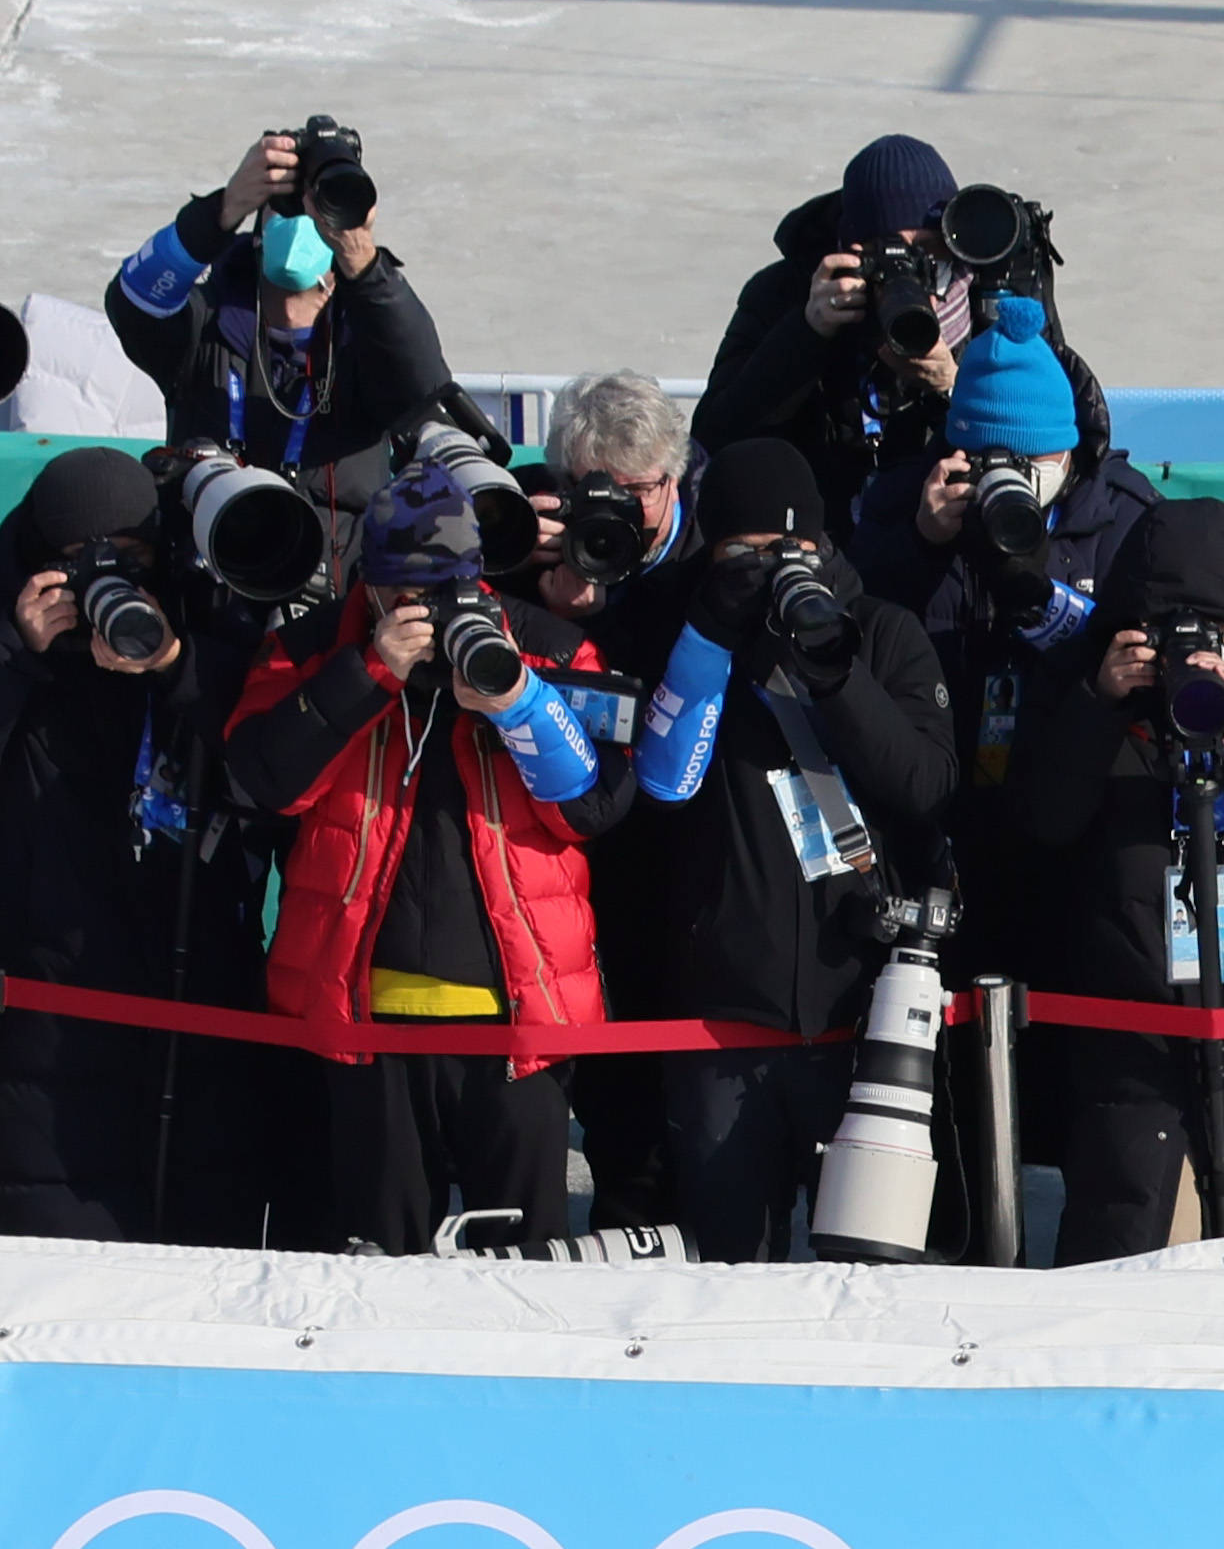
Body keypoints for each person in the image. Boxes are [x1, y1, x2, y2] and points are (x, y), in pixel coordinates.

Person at [228, 458, 633, 1255]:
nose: (424, 609)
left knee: (526, 1267)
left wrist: (522, 704)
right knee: (379, 1264)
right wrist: (369, 669)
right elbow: (263, 780)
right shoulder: (309, 650)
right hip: (364, 1019)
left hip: (518, 1021)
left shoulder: (547, 646)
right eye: (403, 592)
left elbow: (593, 807)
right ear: (367, 585)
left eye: (444, 589)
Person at [1008, 496, 1224, 1257]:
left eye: (1214, 631)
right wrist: (1099, 703)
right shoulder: (1087, 681)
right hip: (1136, 1053)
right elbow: (1042, 816)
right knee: (1138, 1263)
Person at [627, 438, 956, 1260]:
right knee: (728, 1268)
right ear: (711, 550)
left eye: (790, 552)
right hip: (718, 1015)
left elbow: (922, 785)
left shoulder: (882, 632)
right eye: (748, 553)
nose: (773, 569)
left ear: (822, 545)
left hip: (863, 1013)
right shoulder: (675, 630)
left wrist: (832, 670)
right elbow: (659, 788)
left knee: (872, 1268)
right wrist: (709, 629)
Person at [846, 291, 1156, 1125]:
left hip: (1078, 829)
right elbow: (854, 636)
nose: (1011, 477)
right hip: (950, 830)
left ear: (1066, 453)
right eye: (990, 460)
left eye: (1030, 458)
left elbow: (1139, 657)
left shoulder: (1122, 519)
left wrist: (1036, 571)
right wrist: (918, 541)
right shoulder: (906, 504)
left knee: (1079, 1080)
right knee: (952, 1093)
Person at [0, 446, 270, 1240]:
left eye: (131, 559)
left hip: (197, 1010)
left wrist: (175, 666)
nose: (105, 582)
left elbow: (273, 768)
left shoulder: (201, 635)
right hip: (45, 1034)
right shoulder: (16, 648)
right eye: (80, 565)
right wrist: (17, 658)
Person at [698, 135, 1096, 542]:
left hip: (951, 543)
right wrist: (806, 336)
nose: (910, 270)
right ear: (850, 249)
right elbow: (715, 438)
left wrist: (955, 386)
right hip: (824, 541)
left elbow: (1071, 446)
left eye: (927, 250)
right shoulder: (787, 294)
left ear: (954, 240)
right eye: (887, 252)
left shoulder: (995, 299)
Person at [529, 371, 708, 1228]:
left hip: (700, 869)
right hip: (585, 875)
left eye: (640, 491)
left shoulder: (712, 563)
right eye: (599, 490)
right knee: (620, 1126)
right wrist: (560, 621)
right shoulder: (539, 556)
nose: (623, 513)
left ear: (673, 479)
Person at [105, 121, 449, 534]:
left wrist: (364, 263)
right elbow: (132, 299)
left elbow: (423, 385)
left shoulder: (366, 334)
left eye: (315, 208)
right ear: (258, 228)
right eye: (287, 205)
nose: (303, 218)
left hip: (335, 582)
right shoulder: (204, 326)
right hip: (211, 573)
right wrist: (223, 208)